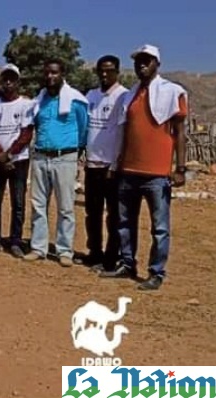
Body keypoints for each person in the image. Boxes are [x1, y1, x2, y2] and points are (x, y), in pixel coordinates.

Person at [99, 44, 188, 291]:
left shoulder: (172, 92)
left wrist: (180, 168)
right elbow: (124, 133)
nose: (141, 65)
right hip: (128, 170)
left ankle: (156, 272)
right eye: (138, 61)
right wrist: (116, 163)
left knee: (159, 227)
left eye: (147, 61)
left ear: (157, 64)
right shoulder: (129, 96)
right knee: (125, 222)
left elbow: (180, 132)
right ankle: (127, 263)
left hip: (157, 174)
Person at [23, 59, 89, 267]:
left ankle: (64, 250)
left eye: (54, 73)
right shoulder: (39, 101)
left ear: (62, 74)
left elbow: (84, 128)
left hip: (65, 158)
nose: (50, 77)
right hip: (41, 156)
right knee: (38, 205)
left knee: (66, 207)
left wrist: (75, 152)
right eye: (47, 73)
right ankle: (38, 247)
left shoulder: (75, 101)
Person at [0, 64, 34, 257]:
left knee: (18, 203)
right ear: (1, 81)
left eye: (12, 79)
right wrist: (1, 156)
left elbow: (26, 133)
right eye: (5, 79)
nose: (8, 83)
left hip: (19, 161)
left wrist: (9, 154)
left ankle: (15, 241)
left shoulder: (26, 104)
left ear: (18, 82)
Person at [81, 55, 129, 271]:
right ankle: (95, 252)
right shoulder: (90, 95)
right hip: (92, 164)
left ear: (117, 72)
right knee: (92, 212)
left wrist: (115, 163)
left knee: (114, 214)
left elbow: (122, 133)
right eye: (101, 70)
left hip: (111, 166)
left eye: (109, 70)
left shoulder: (123, 96)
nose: (104, 74)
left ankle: (112, 257)